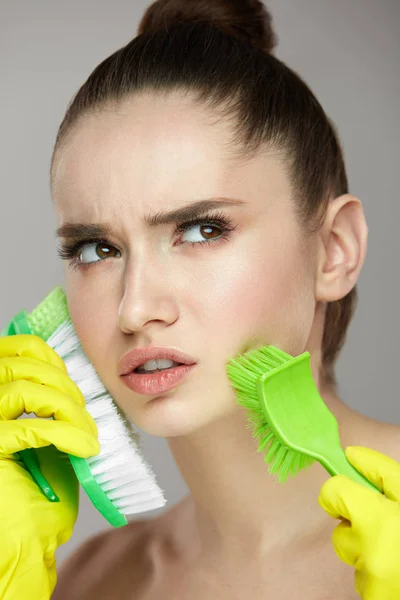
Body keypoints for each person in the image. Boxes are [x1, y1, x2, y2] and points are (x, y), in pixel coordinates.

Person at [1, 1, 399, 599]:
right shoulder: (93, 580)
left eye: (202, 230)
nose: (134, 309)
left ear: (335, 250)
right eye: (94, 249)